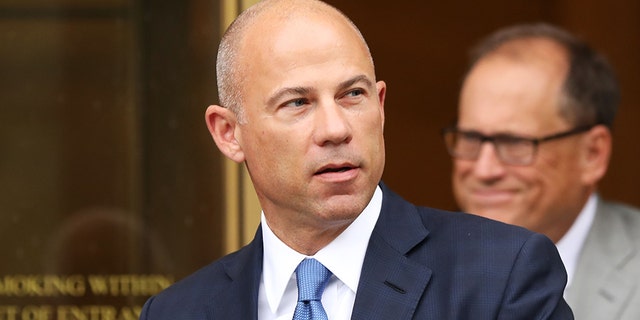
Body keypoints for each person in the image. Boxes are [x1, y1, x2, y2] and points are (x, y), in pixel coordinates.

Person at [139, 1, 572, 319]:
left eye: (352, 95)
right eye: (297, 103)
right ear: (229, 134)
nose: (335, 128)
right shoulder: (177, 312)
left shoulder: (502, 275)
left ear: (380, 106)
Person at [444, 23, 640, 320]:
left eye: (515, 143)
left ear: (593, 154)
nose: (484, 169)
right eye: (471, 138)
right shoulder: (412, 266)